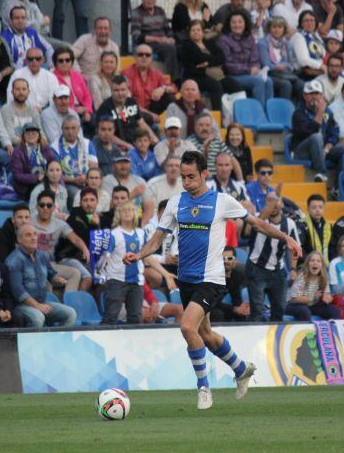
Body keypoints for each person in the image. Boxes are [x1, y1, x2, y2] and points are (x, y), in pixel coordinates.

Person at [124, 150, 301, 410]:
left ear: (205, 173)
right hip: (186, 280)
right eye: (183, 177)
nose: (187, 182)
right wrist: (139, 254)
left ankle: (204, 388)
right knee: (205, 334)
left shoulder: (222, 201)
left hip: (212, 279)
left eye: (192, 176)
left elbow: (258, 224)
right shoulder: (175, 203)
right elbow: (158, 238)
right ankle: (242, 369)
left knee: (187, 327)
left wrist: (287, 238)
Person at [102, 201, 172, 324]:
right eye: (124, 210)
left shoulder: (141, 233)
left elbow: (148, 257)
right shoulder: (113, 234)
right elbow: (105, 258)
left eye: (130, 209)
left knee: (135, 318)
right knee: (110, 317)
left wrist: (165, 274)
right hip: (117, 280)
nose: (127, 212)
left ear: (135, 214)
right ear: (119, 214)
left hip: (137, 282)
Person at [6, 224, 78, 327]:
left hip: (42, 302)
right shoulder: (14, 260)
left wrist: (56, 279)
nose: (33, 238)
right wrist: (37, 306)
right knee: (38, 318)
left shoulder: (42, 255)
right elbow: (18, 291)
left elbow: (51, 274)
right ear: (19, 240)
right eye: (28, 235)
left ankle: (58, 341)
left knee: (71, 314)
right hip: (21, 305)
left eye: (35, 235)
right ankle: (31, 343)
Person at [243, 194, 298, 322]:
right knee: (256, 309)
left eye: (275, 201)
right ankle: (255, 338)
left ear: (281, 204)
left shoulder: (289, 224)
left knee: (280, 309)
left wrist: (293, 269)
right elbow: (246, 232)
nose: (273, 204)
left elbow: (293, 247)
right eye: (269, 201)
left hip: (278, 271)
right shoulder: (257, 219)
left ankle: (275, 339)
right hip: (257, 268)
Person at [31, 189, 91, 292]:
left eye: (49, 205)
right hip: (32, 264)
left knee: (75, 273)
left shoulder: (59, 224)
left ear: (54, 208)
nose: (45, 208)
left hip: (51, 265)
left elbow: (75, 238)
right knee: (46, 284)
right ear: (37, 207)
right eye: (42, 205)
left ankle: (69, 305)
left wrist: (85, 249)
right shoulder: (29, 221)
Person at [217, 10, 274, 108]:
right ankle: (259, 114)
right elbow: (227, 64)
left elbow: (255, 59)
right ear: (229, 24)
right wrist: (248, 70)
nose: (237, 25)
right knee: (258, 81)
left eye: (240, 22)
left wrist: (255, 68)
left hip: (250, 74)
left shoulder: (250, 38)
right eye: (233, 22)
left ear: (245, 24)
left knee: (268, 81)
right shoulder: (223, 40)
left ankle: (269, 113)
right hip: (233, 75)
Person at [289, 80, 339, 182]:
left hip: (322, 150)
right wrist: (320, 112)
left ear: (322, 96)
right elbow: (311, 132)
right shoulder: (299, 113)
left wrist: (326, 149)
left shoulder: (328, 112)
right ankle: (321, 172)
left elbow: (334, 132)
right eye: (311, 94)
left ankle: (338, 185)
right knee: (316, 137)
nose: (314, 97)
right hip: (302, 151)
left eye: (317, 93)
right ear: (305, 96)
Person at [129, 0, 178, 80]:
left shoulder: (160, 10)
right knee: (170, 49)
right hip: (148, 43)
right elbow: (136, 36)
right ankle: (174, 80)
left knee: (180, 47)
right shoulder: (137, 12)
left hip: (163, 41)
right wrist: (159, 39)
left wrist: (171, 38)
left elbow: (167, 29)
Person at [95, 75, 158, 148]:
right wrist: (128, 146)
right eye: (116, 90)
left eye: (123, 90)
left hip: (136, 142)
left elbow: (141, 123)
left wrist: (153, 137)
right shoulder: (105, 108)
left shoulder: (132, 102)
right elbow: (107, 135)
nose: (120, 93)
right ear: (111, 90)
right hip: (117, 146)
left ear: (127, 90)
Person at [123, 43, 176, 120]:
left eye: (147, 55)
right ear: (135, 57)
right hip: (133, 112)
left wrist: (163, 88)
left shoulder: (156, 74)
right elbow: (126, 102)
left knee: (169, 97)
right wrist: (150, 115)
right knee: (129, 105)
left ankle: (173, 126)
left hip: (150, 109)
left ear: (151, 58)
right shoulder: (126, 74)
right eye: (140, 54)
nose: (144, 57)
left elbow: (174, 88)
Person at [285, 250, 341, 321]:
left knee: (335, 310)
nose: (315, 263)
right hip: (293, 305)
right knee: (304, 311)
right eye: (312, 261)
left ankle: (333, 331)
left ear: (322, 266)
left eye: (318, 261)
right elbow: (294, 299)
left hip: (311, 305)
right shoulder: (302, 277)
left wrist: (327, 298)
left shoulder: (324, 277)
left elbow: (326, 294)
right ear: (307, 264)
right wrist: (313, 297)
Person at [54, 115, 98, 199]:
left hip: (88, 181)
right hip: (67, 184)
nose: (70, 132)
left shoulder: (87, 143)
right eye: (66, 128)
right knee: (78, 195)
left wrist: (86, 178)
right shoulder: (55, 147)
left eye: (73, 128)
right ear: (62, 129)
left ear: (79, 129)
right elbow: (55, 174)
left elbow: (94, 167)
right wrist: (73, 180)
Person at [258, 16, 302, 100]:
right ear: (269, 28)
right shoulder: (263, 43)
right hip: (269, 74)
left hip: (284, 74)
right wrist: (280, 66)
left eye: (280, 27)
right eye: (274, 27)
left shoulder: (286, 43)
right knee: (286, 85)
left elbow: (290, 64)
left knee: (300, 84)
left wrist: (284, 66)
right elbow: (266, 65)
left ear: (284, 29)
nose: (277, 30)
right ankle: (283, 111)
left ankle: (298, 111)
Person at [11, 122, 56, 200]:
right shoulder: (18, 151)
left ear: (39, 135)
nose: (31, 136)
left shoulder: (46, 148)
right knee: (45, 189)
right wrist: (37, 178)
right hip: (26, 187)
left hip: (47, 181)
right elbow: (17, 176)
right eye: (28, 133)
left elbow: (55, 165)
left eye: (34, 133)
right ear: (23, 136)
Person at [188, 113, 240, 178]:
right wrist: (206, 146)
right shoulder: (189, 143)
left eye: (207, 125)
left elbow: (233, 161)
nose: (204, 128)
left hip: (218, 182)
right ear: (195, 127)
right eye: (201, 125)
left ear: (211, 127)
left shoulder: (218, 140)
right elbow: (199, 166)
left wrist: (241, 182)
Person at [52, 46, 93, 124]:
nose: (64, 63)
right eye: (61, 61)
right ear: (55, 63)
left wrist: (87, 111)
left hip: (83, 109)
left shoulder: (77, 75)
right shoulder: (52, 78)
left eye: (67, 60)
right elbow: (55, 102)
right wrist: (74, 110)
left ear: (71, 62)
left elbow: (86, 96)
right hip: (65, 113)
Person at [2, 78, 44, 146]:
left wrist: (43, 142)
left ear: (28, 92)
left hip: (34, 146)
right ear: (12, 92)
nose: (21, 92)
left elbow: (41, 132)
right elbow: (10, 136)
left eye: (24, 89)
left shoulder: (33, 110)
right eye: (18, 89)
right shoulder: (6, 109)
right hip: (16, 148)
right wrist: (29, 143)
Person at [289, 10, 326, 81]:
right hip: (303, 73)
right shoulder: (298, 36)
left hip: (318, 71)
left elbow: (323, 56)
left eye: (312, 20)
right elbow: (303, 60)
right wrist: (321, 66)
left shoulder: (316, 37)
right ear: (301, 23)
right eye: (306, 21)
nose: (309, 23)